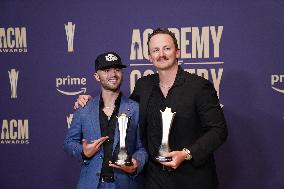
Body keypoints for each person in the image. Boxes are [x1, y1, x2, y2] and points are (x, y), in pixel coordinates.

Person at [74, 28, 228, 189]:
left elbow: (218, 130)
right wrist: (92, 102)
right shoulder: (143, 85)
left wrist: (186, 154)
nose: (161, 54)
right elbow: (124, 112)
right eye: (155, 50)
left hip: (193, 179)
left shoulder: (199, 86)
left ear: (177, 52)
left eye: (167, 48)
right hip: (154, 180)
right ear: (150, 57)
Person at [64, 52, 147, 189]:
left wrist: (136, 163)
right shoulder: (84, 108)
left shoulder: (135, 109)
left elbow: (142, 148)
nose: (113, 74)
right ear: (97, 76)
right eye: (107, 70)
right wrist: (84, 152)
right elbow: (69, 142)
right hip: (91, 185)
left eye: (117, 70)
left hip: (124, 184)